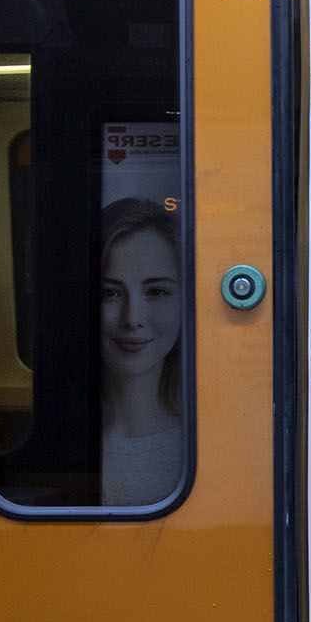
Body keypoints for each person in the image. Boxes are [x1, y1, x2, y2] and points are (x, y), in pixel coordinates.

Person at [97, 198, 185, 505]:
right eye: (110, 293)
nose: (132, 317)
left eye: (156, 291)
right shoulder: (49, 442)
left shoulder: (216, 440)